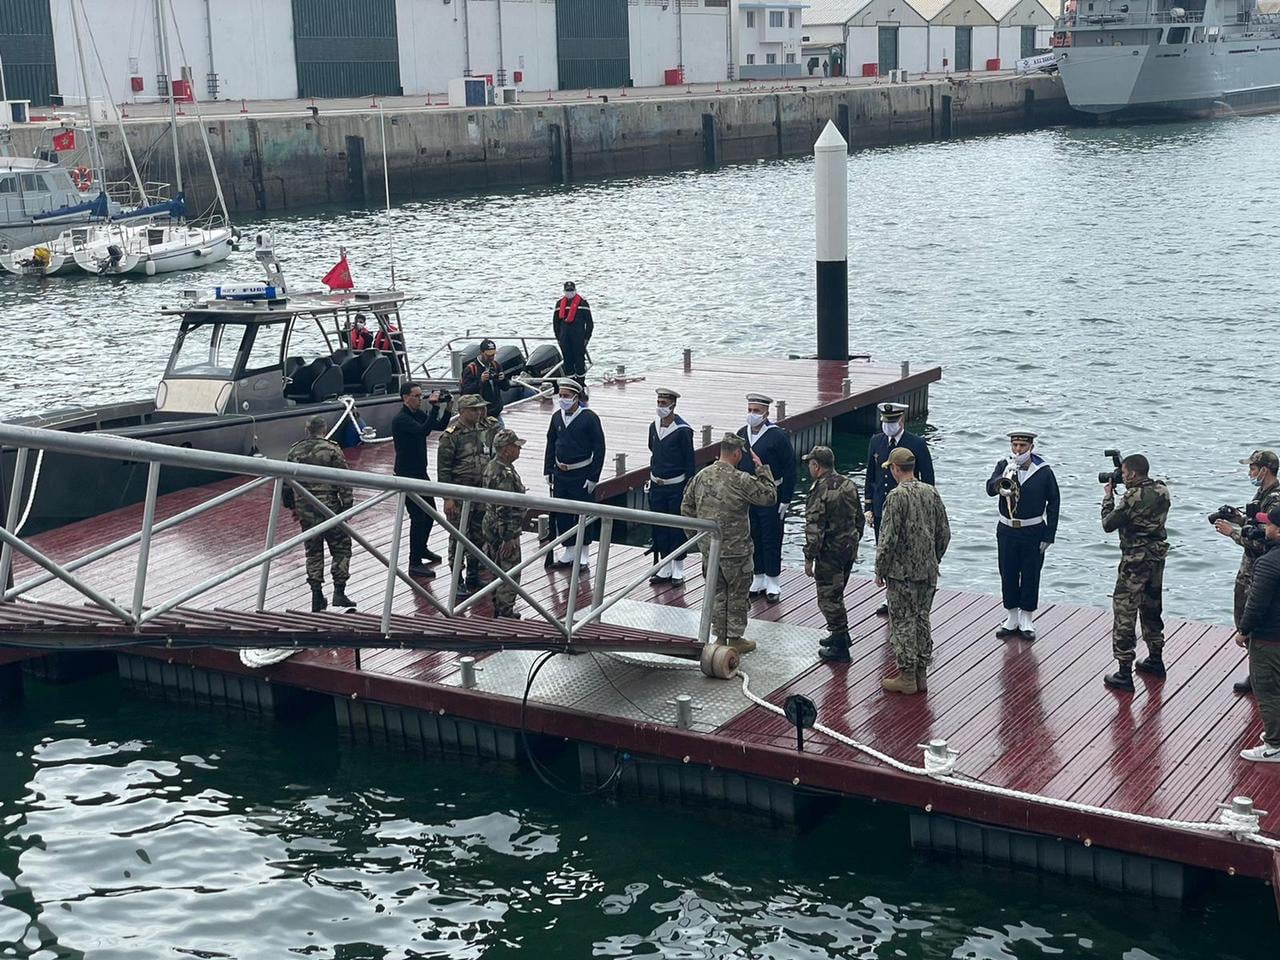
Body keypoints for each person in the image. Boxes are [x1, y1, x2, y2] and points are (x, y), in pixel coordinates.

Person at [681, 434, 778, 654]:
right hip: (737, 552)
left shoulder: (701, 476)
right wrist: (762, 469)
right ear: (736, 453)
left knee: (716, 593)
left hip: (711, 551)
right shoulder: (740, 479)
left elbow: (686, 507)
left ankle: (719, 638)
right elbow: (769, 496)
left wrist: (699, 540)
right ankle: (734, 638)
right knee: (736, 595)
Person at [875, 447, 951, 694]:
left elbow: (888, 538)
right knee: (922, 618)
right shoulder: (931, 492)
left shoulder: (897, 497)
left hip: (902, 573)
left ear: (896, 469)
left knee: (903, 622)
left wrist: (880, 569)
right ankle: (921, 673)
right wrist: (933, 558)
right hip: (928, 571)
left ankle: (907, 676)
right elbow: (944, 533)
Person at [1101, 454, 1171, 692]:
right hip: (1156, 559)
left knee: (1125, 612)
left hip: (1134, 561)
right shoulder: (1162, 490)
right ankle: (1155, 658)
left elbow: (1108, 524)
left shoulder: (1130, 498)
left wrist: (1108, 498)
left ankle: (1124, 672)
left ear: (1130, 473)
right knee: (1152, 608)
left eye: (1124, 472)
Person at [1215, 450, 1280, 694]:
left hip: (1260, 571)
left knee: (1253, 622)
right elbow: (1256, 525)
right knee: (1243, 617)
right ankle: (1257, 672)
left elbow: (1265, 539)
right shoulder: (1263, 494)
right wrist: (1238, 518)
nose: (1250, 473)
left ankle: (1261, 675)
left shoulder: (1275, 500)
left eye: (1253, 468)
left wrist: (1231, 532)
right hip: (1250, 570)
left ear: (1264, 469)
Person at [986, 429, 1060, 641]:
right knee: (1007, 571)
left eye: (1022, 446)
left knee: (1030, 572)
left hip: (1033, 529)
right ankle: (1011, 616)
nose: (1018, 450)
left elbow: (1054, 501)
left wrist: (1049, 534)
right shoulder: (1004, 465)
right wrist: (1001, 480)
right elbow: (989, 489)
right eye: (1015, 446)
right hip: (1007, 529)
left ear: (1031, 447)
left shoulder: (1043, 470)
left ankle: (1027, 617)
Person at [866, 401, 935, 615]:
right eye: (886, 421)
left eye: (893, 421)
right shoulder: (876, 441)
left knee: (906, 549)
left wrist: (926, 506)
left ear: (901, 420)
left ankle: (908, 591)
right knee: (884, 548)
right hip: (881, 507)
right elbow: (871, 475)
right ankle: (890, 595)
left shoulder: (916, 443)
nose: (889, 425)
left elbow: (928, 478)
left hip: (908, 507)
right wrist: (868, 505)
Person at [285, 416, 356, 612]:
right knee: (341, 547)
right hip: (330, 507)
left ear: (307, 430)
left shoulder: (294, 450)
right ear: (324, 429)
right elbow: (343, 479)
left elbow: (286, 482)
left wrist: (292, 506)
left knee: (313, 551)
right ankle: (339, 592)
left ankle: (316, 595)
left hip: (306, 509)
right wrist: (348, 506)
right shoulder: (332, 449)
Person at [803, 445, 865, 662]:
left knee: (829, 598)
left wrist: (809, 557)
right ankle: (840, 635)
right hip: (848, 548)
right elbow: (860, 517)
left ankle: (840, 643)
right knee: (838, 592)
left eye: (810, 464)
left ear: (816, 466)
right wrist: (855, 539)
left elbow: (814, 527)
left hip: (829, 552)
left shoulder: (819, 490)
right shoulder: (848, 484)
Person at [437, 394, 500, 597]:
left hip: (480, 493)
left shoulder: (485, 430)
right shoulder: (451, 436)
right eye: (474, 409)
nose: (479, 412)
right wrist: (448, 498)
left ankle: (474, 573)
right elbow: (443, 470)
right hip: (459, 494)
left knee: (478, 535)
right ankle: (457, 580)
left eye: (480, 408)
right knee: (458, 538)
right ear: (462, 411)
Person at [736, 393, 796, 603]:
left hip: (771, 495)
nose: (752, 414)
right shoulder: (742, 434)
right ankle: (758, 575)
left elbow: (789, 468)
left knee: (771, 537)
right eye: (750, 410)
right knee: (753, 536)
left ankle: (773, 580)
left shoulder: (778, 436)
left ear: (766, 413)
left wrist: (786, 499)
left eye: (756, 411)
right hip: (749, 495)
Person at [544, 378, 606, 568]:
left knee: (583, 513)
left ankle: (584, 553)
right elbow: (551, 443)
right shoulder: (556, 417)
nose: (563, 399)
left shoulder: (590, 418)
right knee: (562, 513)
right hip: (561, 473)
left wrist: (593, 476)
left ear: (576, 397)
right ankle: (569, 550)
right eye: (561, 396)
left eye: (567, 396)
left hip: (581, 473)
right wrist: (548, 470)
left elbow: (600, 448)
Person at [392, 381, 451, 578]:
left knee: (430, 514)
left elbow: (438, 426)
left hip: (420, 472)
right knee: (418, 518)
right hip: (407, 475)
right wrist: (434, 407)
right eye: (416, 396)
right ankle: (413, 562)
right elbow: (423, 431)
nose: (420, 399)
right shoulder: (401, 419)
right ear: (405, 397)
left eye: (420, 395)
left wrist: (447, 408)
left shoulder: (417, 414)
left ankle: (422, 548)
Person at [648, 387, 696, 585]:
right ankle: (665, 566)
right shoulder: (654, 426)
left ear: (673, 405)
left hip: (675, 486)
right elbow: (652, 448)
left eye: (664, 403)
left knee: (676, 527)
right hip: (657, 485)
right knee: (660, 525)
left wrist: (688, 487)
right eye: (659, 403)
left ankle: (678, 568)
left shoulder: (683, 430)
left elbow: (689, 461)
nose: (661, 407)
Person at [482, 428, 529, 619]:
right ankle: (505, 611)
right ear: (506, 450)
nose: (519, 450)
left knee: (495, 568)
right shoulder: (505, 474)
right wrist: (509, 538)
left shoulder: (491, 467)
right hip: (504, 530)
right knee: (510, 570)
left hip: (490, 526)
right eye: (516, 446)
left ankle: (498, 607)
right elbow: (505, 508)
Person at [460, 338, 511, 420]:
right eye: (488, 355)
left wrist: (503, 379)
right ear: (481, 353)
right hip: (479, 415)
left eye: (493, 355)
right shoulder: (471, 369)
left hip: (496, 413)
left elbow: (506, 388)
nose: (491, 357)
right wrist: (481, 381)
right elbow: (465, 392)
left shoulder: (496, 365)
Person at [552, 280, 593, 377]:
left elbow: (589, 323)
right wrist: (558, 337)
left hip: (578, 338)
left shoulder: (583, 303)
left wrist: (587, 337)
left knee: (579, 361)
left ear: (575, 290)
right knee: (567, 361)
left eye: (571, 290)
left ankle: (581, 383)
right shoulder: (559, 304)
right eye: (567, 290)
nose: (569, 292)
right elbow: (556, 323)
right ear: (564, 291)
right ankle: (570, 381)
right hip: (564, 338)